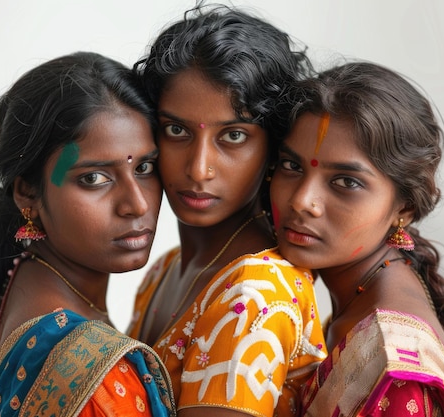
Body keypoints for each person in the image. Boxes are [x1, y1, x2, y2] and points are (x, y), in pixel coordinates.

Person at [0, 52, 176, 417]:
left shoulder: (22, 279)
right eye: (94, 178)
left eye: (145, 167)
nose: (137, 204)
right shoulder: (92, 375)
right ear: (28, 193)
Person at [126, 3, 327, 416]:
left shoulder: (254, 291)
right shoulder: (164, 270)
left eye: (233, 135)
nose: (199, 169)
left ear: (272, 146)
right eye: (176, 130)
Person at [270, 61, 444, 417]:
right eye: (291, 166)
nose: (302, 201)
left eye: (346, 182)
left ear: (404, 209)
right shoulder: (361, 300)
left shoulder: (393, 361)